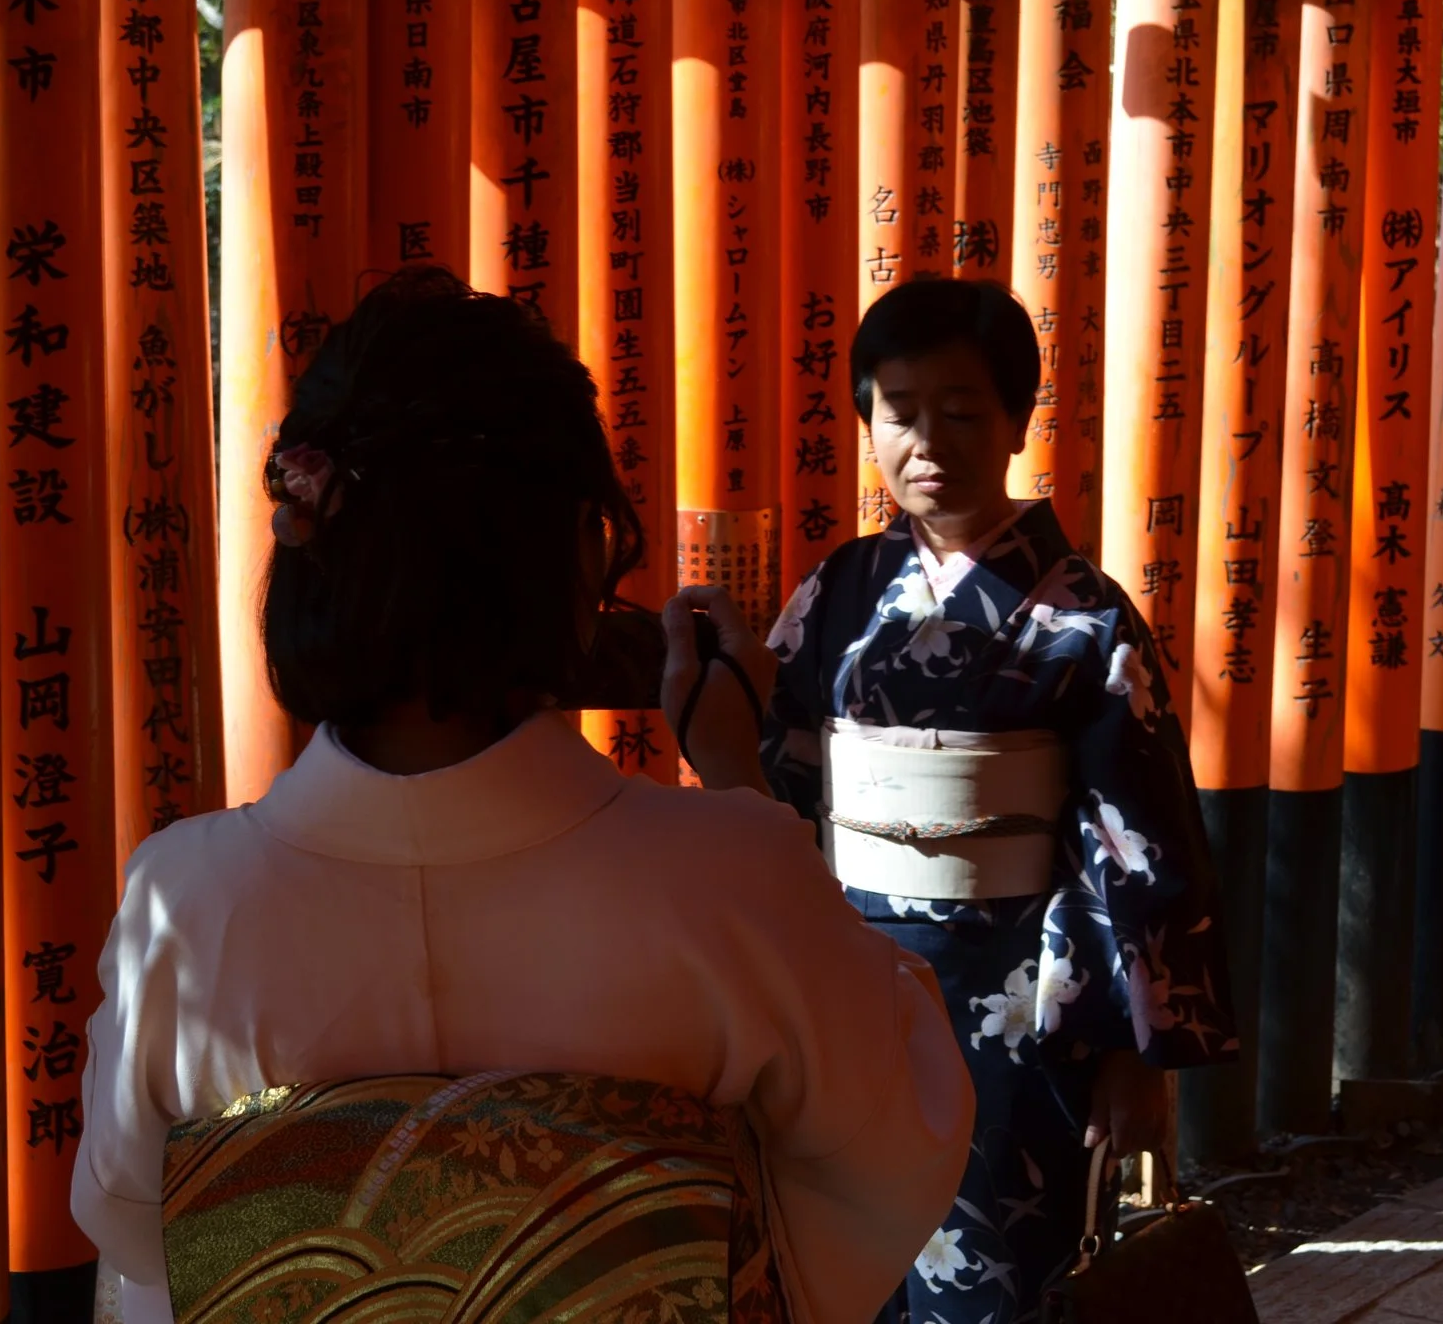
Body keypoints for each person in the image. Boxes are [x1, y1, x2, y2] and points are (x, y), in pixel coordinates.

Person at [72, 267, 973, 1324]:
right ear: (568, 553)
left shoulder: (184, 898)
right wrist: (740, 784)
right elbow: (887, 1156)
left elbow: (133, 1220)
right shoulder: (729, 875)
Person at [754, 278, 1235, 1323]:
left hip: (1021, 1004)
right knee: (840, 1272)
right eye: (900, 411)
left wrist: (1129, 1051)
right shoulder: (834, 593)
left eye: (962, 412)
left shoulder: (1082, 619)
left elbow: (1136, 840)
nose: (928, 439)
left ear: (1017, 420)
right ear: (868, 422)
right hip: (847, 993)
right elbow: (779, 784)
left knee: (1006, 1281)